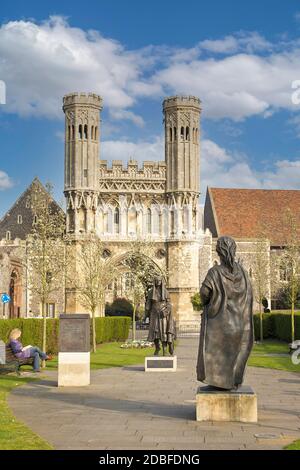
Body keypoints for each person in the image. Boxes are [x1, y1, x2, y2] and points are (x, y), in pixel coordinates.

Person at [197, 236, 254, 390]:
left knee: (218, 358)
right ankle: (233, 382)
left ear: (219, 252)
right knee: (234, 356)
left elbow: (204, 293)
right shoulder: (243, 273)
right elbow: (249, 295)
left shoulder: (214, 272)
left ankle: (220, 383)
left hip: (219, 325)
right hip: (239, 325)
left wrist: (207, 302)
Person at [145, 277, 176, 356]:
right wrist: (147, 311)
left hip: (162, 315)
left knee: (163, 332)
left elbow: (169, 304)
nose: (158, 282)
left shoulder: (165, 292)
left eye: (159, 281)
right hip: (154, 314)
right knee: (155, 332)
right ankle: (157, 347)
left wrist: (165, 311)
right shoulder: (151, 292)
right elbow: (148, 303)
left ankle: (164, 349)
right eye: (156, 281)